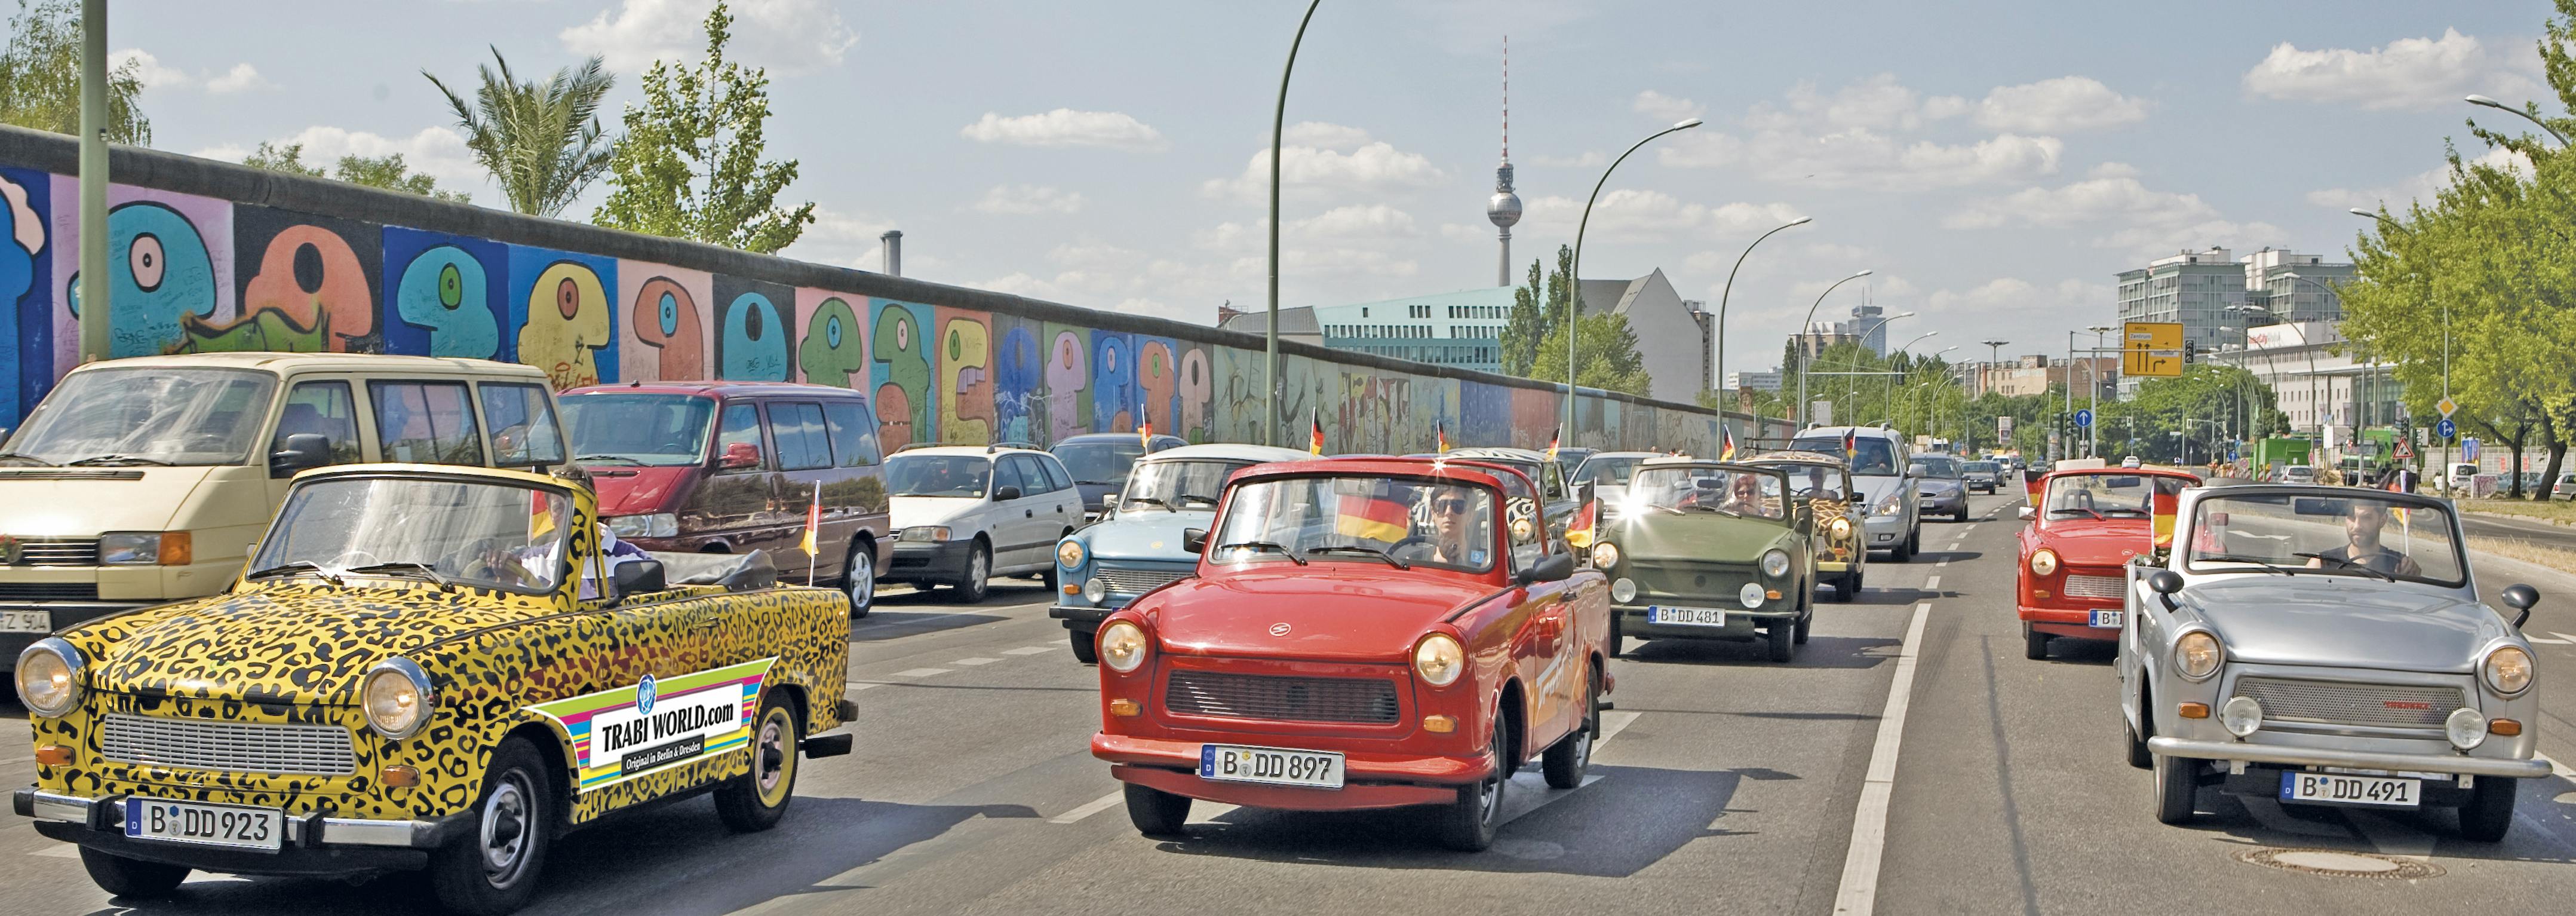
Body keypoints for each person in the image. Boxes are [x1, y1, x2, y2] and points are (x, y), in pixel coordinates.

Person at [2306, 501, 2422, 577]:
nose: (2357, 526)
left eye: (2366, 518)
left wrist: (2412, 573)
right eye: (2351, 517)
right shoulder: (2322, 564)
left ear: (2382, 520)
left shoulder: (2401, 567)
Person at [1423, 485, 1488, 568]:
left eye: (1458, 506)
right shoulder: (1416, 559)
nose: (1448, 512)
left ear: (1470, 515)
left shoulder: (1486, 563)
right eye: (1441, 506)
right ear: (1433, 513)